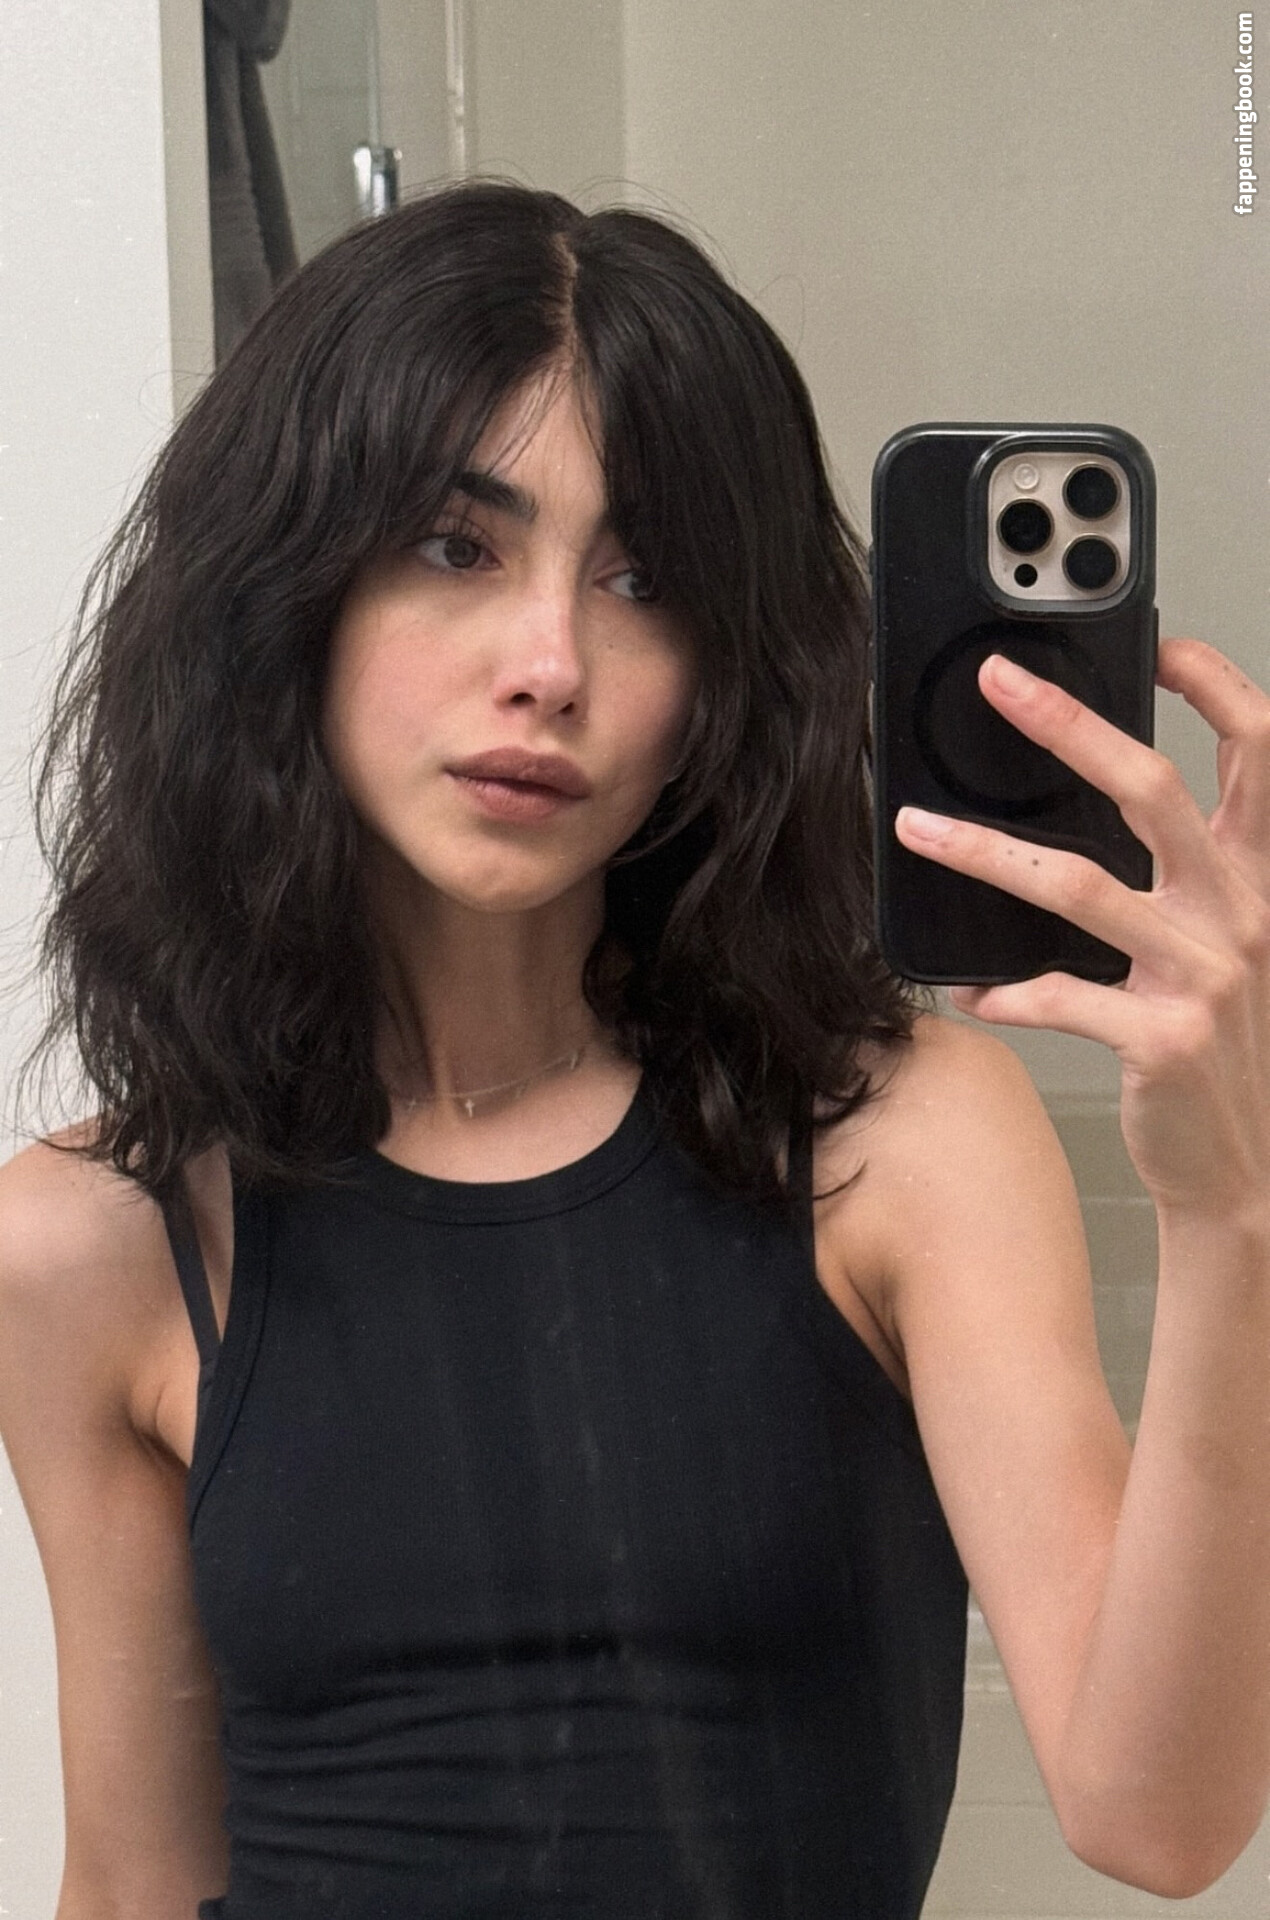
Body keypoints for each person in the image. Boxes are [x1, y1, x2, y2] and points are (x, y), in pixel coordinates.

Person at [1, 178, 1268, 1920]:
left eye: (644, 580)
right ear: (287, 590)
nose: (550, 663)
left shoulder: (896, 1141)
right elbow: (129, 1883)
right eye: (457, 547)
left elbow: (1157, 1816)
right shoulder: (93, 1240)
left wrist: (1229, 1214)